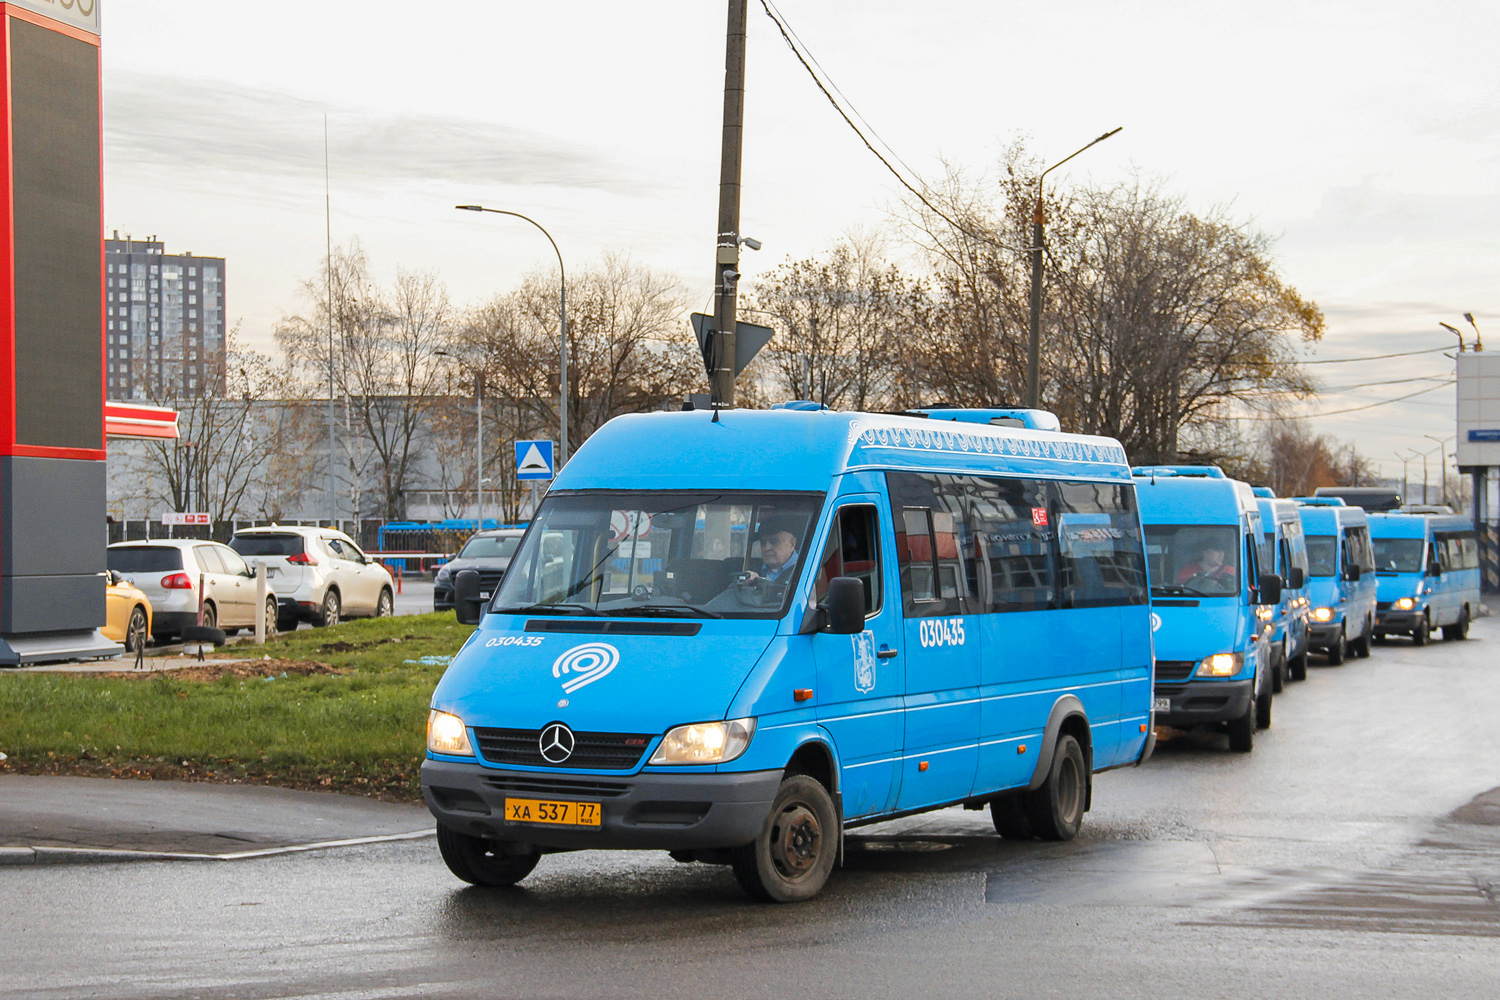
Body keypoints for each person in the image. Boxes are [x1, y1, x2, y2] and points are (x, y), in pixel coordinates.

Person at [745, 520, 801, 584]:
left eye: (774, 541)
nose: (767, 548)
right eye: (763, 542)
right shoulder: (752, 568)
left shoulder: (806, 572)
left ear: (792, 544)